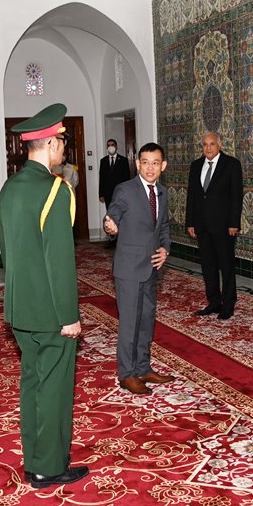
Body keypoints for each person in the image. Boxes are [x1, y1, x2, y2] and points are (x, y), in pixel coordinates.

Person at [0, 103, 89, 489]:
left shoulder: (9, 187)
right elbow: (59, 260)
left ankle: (34, 459)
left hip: (20, 308)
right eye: (62, 142)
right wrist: (69, 316)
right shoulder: (55, 189)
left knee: (32, 384)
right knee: (54, 389)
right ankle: (48, 468)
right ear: (50, 143)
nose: (64, 148)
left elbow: (8, 252)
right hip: (51, 311)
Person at [103, 143, 174, 395]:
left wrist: (165, 249)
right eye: (145, 162)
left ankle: (143, 368)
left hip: (152, 267)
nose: (150, 168)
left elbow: (163, 226)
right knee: (130, 323)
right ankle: (127, 374)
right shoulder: (125, 189)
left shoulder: (162, 192)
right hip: (129, 269)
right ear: (137, 164)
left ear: (163, 166)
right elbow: (114, 211)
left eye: (155, 163)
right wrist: (110, 223)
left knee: (146, 320)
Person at [185, 133, 244, 320]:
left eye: (211, 144)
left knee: (226, 266)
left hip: (224, 226)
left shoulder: (231, 164)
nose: (208, 148)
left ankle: (228, 304)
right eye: (205, 145)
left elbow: (236, 196)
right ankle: (214, 301)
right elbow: (192, 195)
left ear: (219, 145)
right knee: (208, 266)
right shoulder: (196, 166)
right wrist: (190, 222)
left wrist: (234, 223)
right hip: (202, 226)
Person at [99, 138, 130, 247]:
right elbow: (101, 179)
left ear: (116, 147)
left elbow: (127, 178)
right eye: (108, 145)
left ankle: (121, 239)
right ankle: (111, 240)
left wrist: (127, 193)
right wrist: (101, 194)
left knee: (121, 216)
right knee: (110, 216)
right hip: (108, 194)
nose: (110, 147)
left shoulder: (123, 160)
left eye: (112, 144)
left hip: (120, 194)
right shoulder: (103, 161)